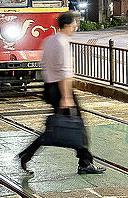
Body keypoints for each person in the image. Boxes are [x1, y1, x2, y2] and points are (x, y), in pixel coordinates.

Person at [18, 12, 106, 175]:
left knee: (56, 126)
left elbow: (44, 64)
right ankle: (85, 163)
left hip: (50, 87)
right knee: (77, 125)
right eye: (74, 24)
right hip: (62, 89)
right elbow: (65, 73)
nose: (76, 27)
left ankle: (26, 154)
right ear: (66, 26)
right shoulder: (62, 43)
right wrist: (66, 97)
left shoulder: (49, 40)